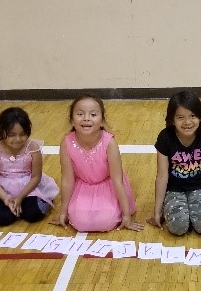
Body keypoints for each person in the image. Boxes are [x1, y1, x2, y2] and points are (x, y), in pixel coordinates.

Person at [53, 94, 142, 232]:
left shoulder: (109, 143)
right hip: (83, 186)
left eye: (93, 114)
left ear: (101, 121)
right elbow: (67, 180)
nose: (86, 118)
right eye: (80, 114)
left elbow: (117, 180)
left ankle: (116, 211)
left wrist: (126, 215)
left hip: (109, 186)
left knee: (105, 221)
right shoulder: (66, 143)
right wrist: (63, 212)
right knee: (80, 223)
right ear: (72, 120)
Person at [146, 91, 201, 235]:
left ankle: (192, 212)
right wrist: (157, 211)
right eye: (181, 118)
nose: (187, 122)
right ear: (172, 120)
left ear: (200, 116)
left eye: (192, 116)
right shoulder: (165, 137)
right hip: (174, 189)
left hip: (199, 187)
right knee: (178, 227)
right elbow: (162, 176)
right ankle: (181, 213)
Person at [0, 107, 59, 226]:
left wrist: (20, 197)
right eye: (12, 135)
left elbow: (36, 177)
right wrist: (6, 199)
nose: (18, 139)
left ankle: (40, 199)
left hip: (28, 188)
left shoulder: (32, 148)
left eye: (22, 134)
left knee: (34, 214)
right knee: (3, 218)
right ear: (1, 131)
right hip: (3, 190)